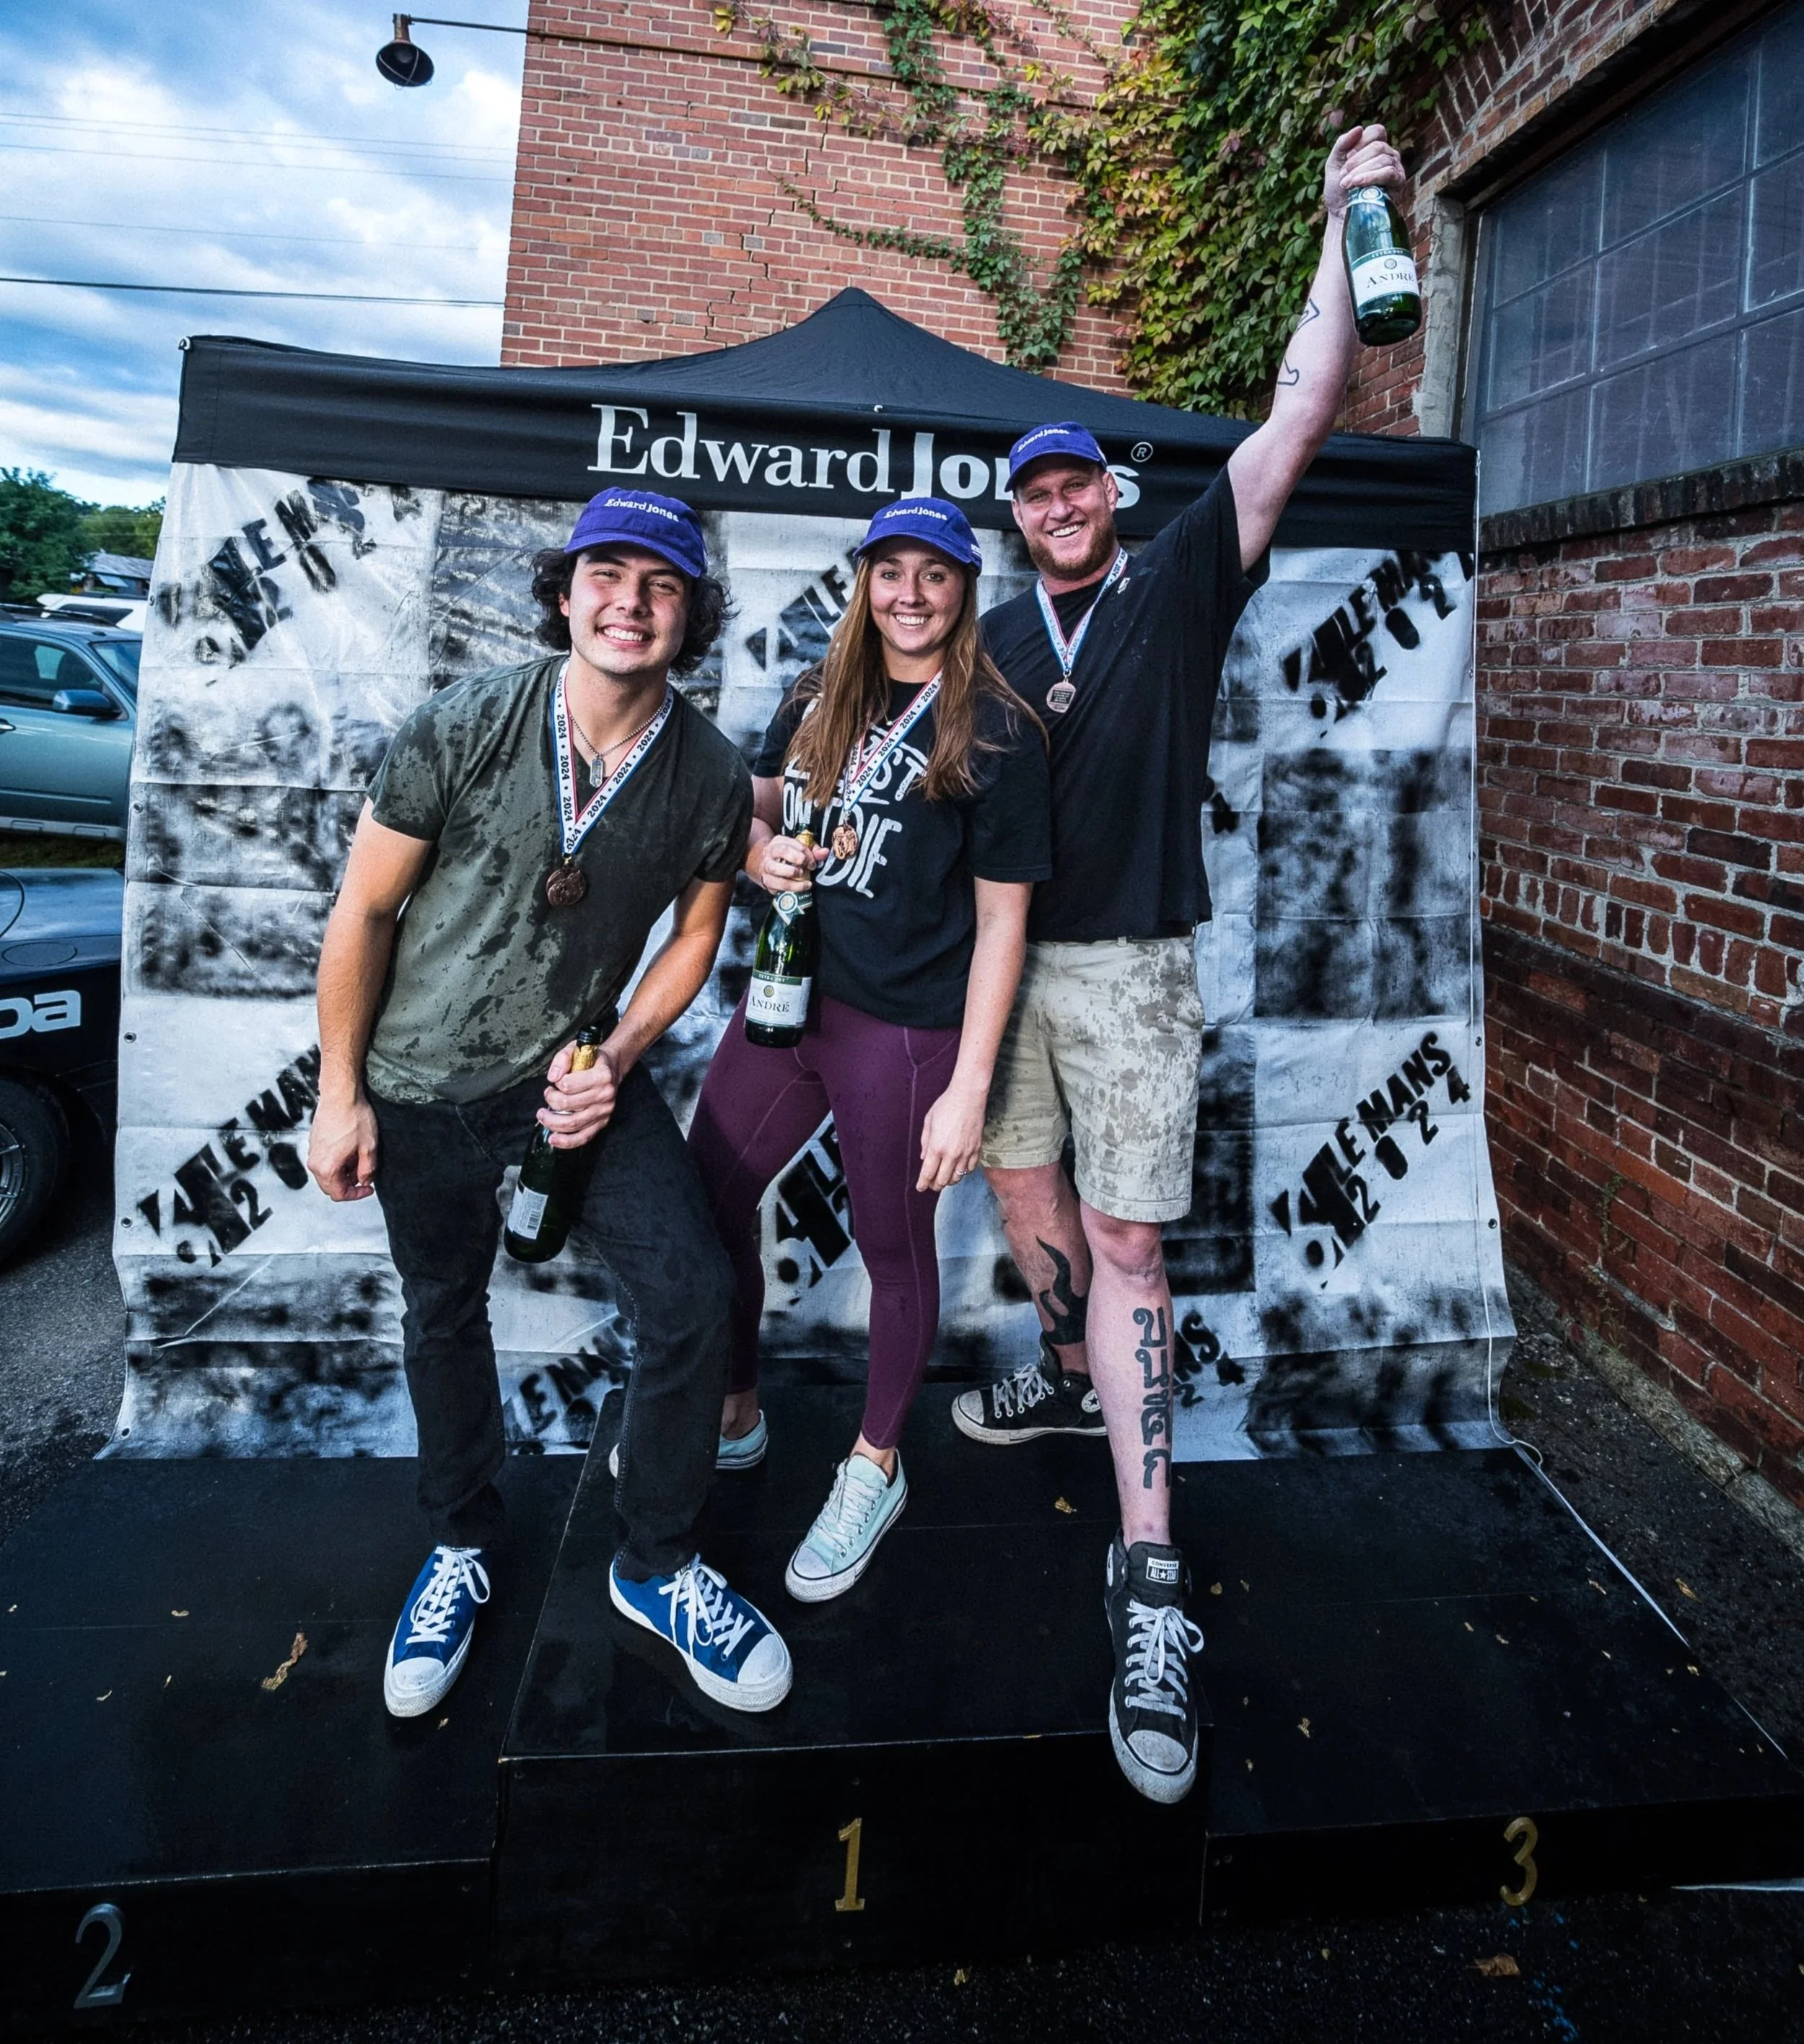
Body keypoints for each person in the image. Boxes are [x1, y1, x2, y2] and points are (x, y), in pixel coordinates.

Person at [953, 126, 1410, 1804]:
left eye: (1076, 483)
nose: (1057, 505)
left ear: (1110, 497)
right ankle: (1070, 1385)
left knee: (1129, 1236)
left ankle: (1148, 1579)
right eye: (1034, 492)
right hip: (997, 978)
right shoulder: (989, 639)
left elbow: (1297, 404)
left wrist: (1328, 220)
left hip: (1135, 968)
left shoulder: (1176, 584)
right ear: (1014, 518)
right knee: (1027, 1217)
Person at [306, 486, 793, 1721]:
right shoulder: (466, 721)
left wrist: (619, 1058)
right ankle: (463, 1544)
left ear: (691, 614)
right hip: (420, 1088)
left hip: (577, 1080)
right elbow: (363, 912)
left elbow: (696, 936)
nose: (631, 604)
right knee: (442, 1314)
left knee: (689, 1295)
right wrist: (339, 1093)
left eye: (662, 585)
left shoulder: (708, 770)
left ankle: (658, 1565)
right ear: (566, 592)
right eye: (608, 576)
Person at [686, 497, 1051, 1602]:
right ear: (864, 582)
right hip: (789, 1003)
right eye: (889, 571)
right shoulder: (816, 691)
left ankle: (874, 1466)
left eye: (932, 574)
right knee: (709, 1203)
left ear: (963, 589)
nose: (909, 593)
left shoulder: (997, 728)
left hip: (904, 1030)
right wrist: (755, 853)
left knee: (893, 1249)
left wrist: (969, 1087)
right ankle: (736, 1412)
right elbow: (756, 801)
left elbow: (1002, 925)